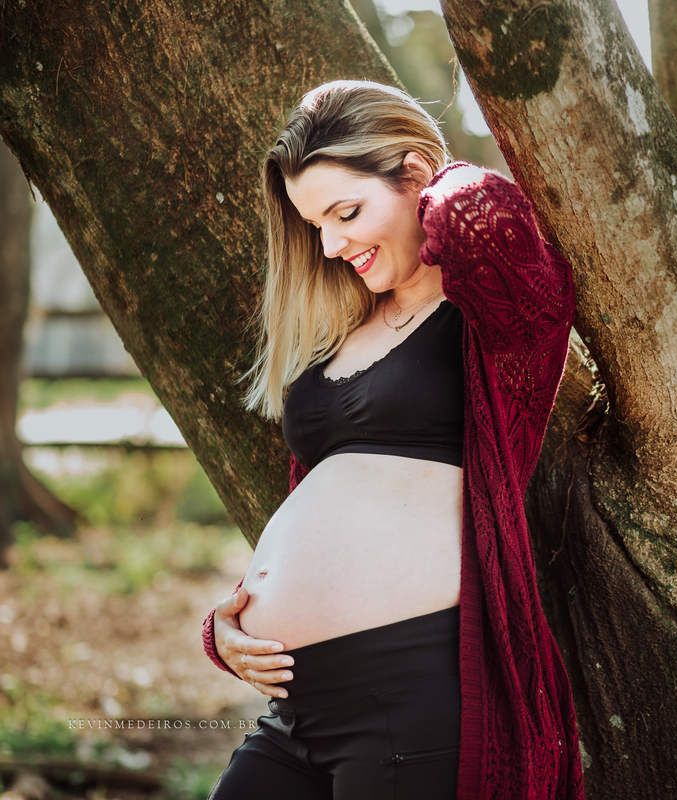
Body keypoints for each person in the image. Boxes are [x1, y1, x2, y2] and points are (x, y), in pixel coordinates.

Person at [200, 80, 585, 800]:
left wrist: (439, 177)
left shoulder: (500, 319)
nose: (332, 243)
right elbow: (337, 502)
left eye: (347, 212)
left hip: (410, 695)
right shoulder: (345, 331)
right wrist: (232, 626)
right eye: (316, 223)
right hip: (298, 711)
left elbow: (483, 210)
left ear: (413, 176)